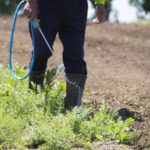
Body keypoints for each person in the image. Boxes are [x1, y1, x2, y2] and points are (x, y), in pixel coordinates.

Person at [24, 0, 106, 109]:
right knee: (41, 51)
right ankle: (33, 100)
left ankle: (72, 109)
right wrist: (31, 2)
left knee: (75, 55)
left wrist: (100, 3)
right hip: (44, 5)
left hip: (76, 7)